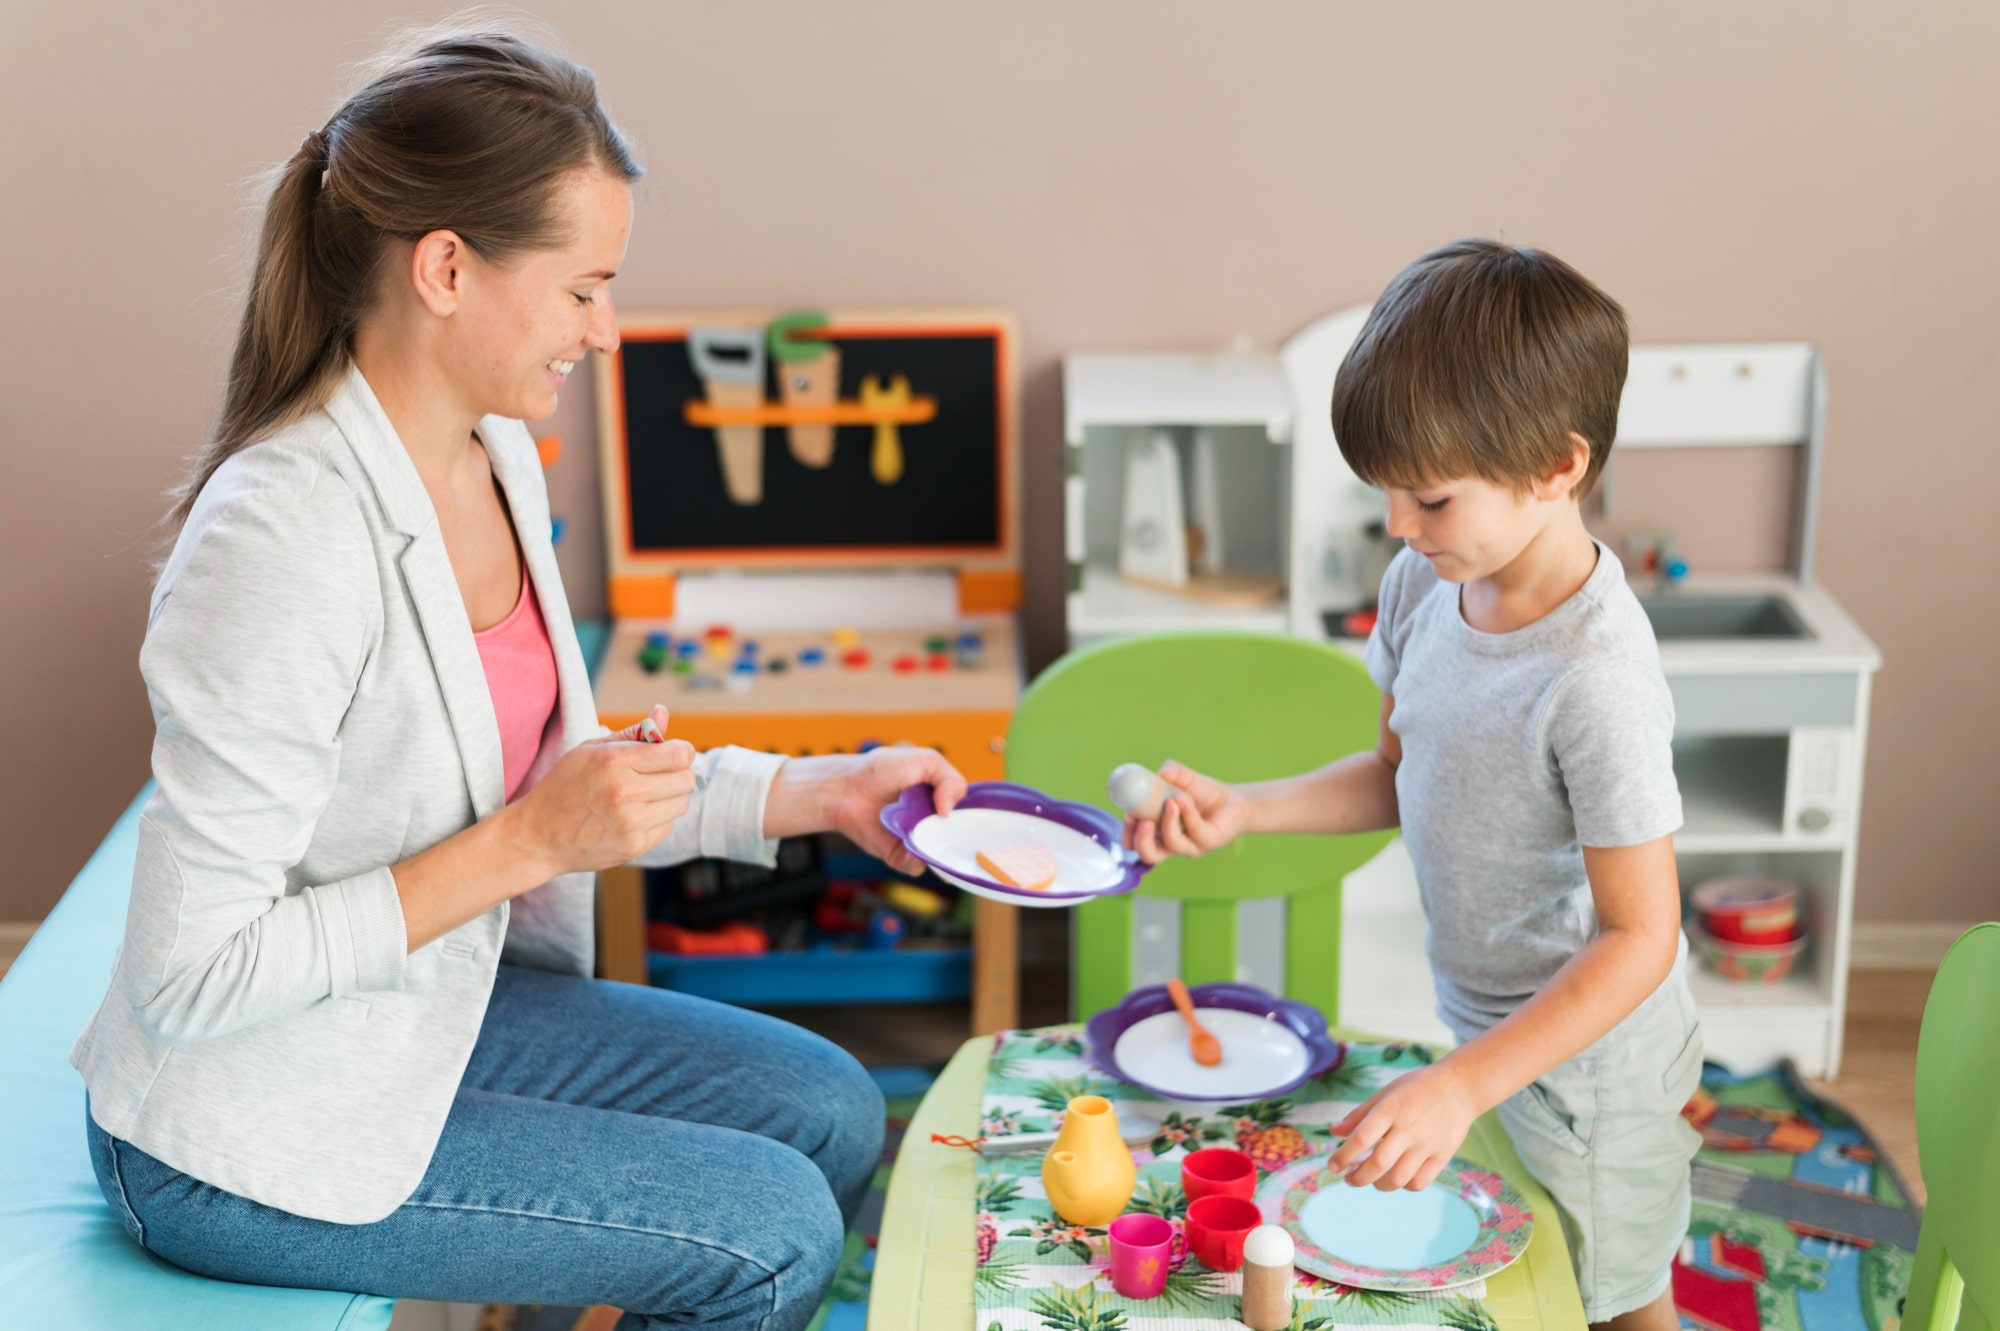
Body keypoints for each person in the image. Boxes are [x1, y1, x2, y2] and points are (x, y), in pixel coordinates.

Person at [68, 23, 963, 1330]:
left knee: (828, 1103)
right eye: (583, 286)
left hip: (426, 1008)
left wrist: (827, 792)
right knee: (771, 1236)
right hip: (234, 1126)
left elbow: (571, 778)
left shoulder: (496, 454)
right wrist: (528, 840)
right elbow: (193, 975)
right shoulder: (281, 538)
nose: (607, 332)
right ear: (444, 268)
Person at [1127, 239, 1703, 1330]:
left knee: (1609, 1292)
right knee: (1517, 1270)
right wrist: (1251, 806)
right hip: (1485, 1027)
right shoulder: (1425, 584)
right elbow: (1398, 772)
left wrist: (1463, 1080)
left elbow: (1640, 938)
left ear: (1556, 467)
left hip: (1593, 1067)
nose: (1396, 524)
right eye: (1388, 491)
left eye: (1428, 497)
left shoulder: (1595, 679)